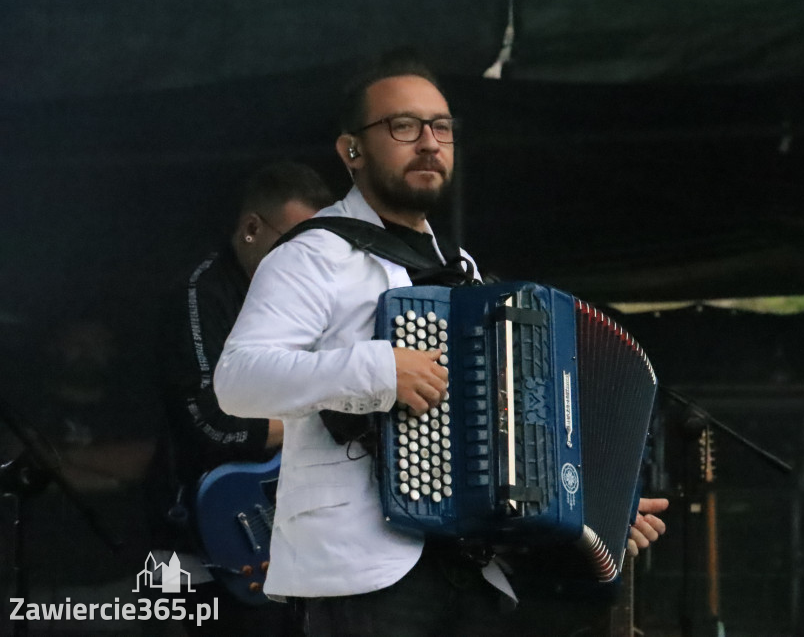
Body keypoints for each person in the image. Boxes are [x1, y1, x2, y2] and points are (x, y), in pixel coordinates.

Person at [213, 56, 665, 636]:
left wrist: (596, 511)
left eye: (441, 127)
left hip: (473, 571)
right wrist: (379, 368)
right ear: (352, 150)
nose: (428, 142)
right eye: (403, 126)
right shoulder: (311, 255)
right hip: (363, 570)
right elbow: (238, 380)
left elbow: (521, 428)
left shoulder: (463, 271)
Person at [153, 161, 337, 636]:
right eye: (296, 245)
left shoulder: (315, 296)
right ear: (251, 228)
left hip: (303, 526)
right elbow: (210, 423)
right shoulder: (202, 295)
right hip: (214, 524)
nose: (308, 261)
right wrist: (322, 422)